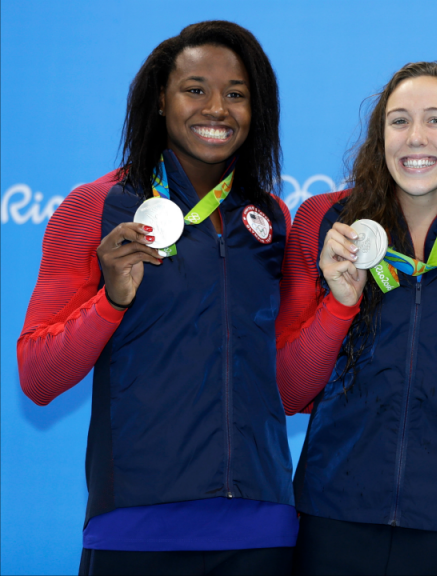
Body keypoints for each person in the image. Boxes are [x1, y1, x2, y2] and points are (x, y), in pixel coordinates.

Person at [17, 21, 297, 576]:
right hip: (137, 531)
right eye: (195, 89)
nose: (216, 108)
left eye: (236, 94)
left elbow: (287, 376)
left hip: (262, 530)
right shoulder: (96, 205)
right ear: (159, 102)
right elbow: (38, 375)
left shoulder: (271, 218)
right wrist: (111, 302)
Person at [277, 61, 437, 576]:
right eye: (399, 120)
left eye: (436, 119)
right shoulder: (325, 223)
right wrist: (340, 304)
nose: (416, 138)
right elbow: (291, 390)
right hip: (333, 515)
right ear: (378, 135)